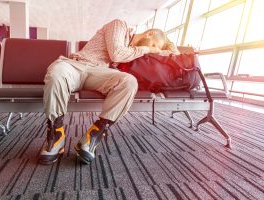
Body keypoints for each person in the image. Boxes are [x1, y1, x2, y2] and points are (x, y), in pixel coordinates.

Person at [38, 19, 180, 165]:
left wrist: (168, 49)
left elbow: (172, 57)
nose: (152, 49)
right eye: (154, 45)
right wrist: (148, 49)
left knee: (129, 81)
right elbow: (117, 54)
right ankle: (56, 134)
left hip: (100, 73)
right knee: (57, 73)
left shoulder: (134, 52)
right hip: (76, 65)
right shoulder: (119, 25)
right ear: (149, 34)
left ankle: (93, 136)